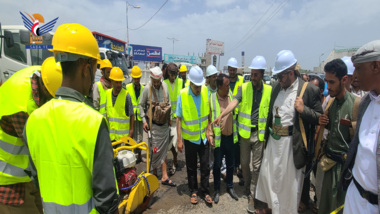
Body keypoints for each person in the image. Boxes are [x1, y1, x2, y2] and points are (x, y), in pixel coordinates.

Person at [24, 23, 119, 213]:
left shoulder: (33, 120)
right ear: (85, 68)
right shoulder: (93, 122)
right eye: (94, 67)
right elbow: (106, 197)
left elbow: (35, 178)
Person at [256, 50, 323, 214]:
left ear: (291, 73)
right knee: (269, 179)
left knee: (288, 186)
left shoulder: (308, 90)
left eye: (281, 76)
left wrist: (303, 110)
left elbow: (321, 118)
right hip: (273, 143)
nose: (279, 80)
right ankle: (271, 209)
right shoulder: (277, 88)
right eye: (277, 76)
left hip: (292, 147)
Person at [0, 56, 62, 214]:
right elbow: (43, 151)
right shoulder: (24, 109)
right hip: (7, 180)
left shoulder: (40, 74)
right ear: (47, 91)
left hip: (26, 176)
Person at [213, 56, 272, 212]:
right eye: (251, 74)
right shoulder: (244, 88)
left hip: (259, 135)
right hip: (245, 134)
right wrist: (223, 115)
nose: (253, 77)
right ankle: (247, 186)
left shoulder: (269, 91)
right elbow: (234, 102)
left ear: (262, 74)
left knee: (256, 166)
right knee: (244, 165)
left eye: (256, 74)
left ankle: (253, 195)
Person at [340, 40, 380, 214]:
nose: (354, 75)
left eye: (358, 68)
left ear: (376, 66)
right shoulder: (365, 103)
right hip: (354, 196)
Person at [317, 59, 359, 214]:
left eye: (332, 82)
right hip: (328, 164)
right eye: (326, 82)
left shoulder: (357, 104)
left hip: (345, 172)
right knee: (325, 206)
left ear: (344, 79)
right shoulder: (330, 103)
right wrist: (323, 122)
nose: (328, 87)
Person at [177, 66, 212, 205]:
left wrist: (209, 130)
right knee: (191, 167)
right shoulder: (183, 94)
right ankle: (193, 191)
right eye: (196, 86)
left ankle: (205, 191)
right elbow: (178, 118)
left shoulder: (205, 91)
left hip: (203, 137)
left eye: (200, 86)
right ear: (190, 83)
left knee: (205, 166)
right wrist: (179, 139)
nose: (198, 89)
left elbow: (208, 113)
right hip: (190, 139)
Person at [139, 66, 176, 187]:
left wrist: (169, 118)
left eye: (157, 81)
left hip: (164, 126)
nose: (156, 83)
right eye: (154, 81)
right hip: (153, 126)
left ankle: (164, 176)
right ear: (151, 78)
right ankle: (154, 173)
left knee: (164, 150)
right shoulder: (146, 89)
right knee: (155, 151)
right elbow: (140, 105)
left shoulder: (165, 86)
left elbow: (169, 102)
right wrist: (144, 121)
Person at [207, 73, 239, 203]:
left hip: (231, 138)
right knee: (217, 166)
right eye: (226, 85)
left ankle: (230, 187)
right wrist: (210, 135)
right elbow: (209, 120)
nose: (228, 87)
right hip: (219, 139)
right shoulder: (212, 99)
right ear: (219, 86)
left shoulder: (232, 96)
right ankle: (216, 190)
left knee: (231, 165)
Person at [226, 57, 244, 184]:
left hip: (238, 117)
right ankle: (230, 165)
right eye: (230, 70)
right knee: (229, 142)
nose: (232, 72)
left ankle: (237, 166)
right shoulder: (225, 81)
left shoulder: (242, 81)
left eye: (234, 70)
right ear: (228, 69)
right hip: (228, 116)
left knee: (237, 143)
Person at [163, 63, 183, 175]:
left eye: (175, 74)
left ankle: (174, 163)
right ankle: (168, 164)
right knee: (168, 144)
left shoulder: (180, 82)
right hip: (167, 119)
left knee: (176, 143)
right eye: (171, 74)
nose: (173, 77)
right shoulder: (164, 83)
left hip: (178, 119)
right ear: (168, 73)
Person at [106, 67, 134, 141]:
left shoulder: (126, 95)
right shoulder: (108, 94)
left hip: (123, 138)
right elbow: (108, 115)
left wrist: (131, 131)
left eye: (120, 82)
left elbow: (131, 114)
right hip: (111, 137)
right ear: (112, 81)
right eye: (117, 82)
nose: (119, 84)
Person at [126, 66, 144, 162]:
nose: (136, 80)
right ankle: (132, 156)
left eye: (138, 78)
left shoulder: (142, 88)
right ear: (132, 78)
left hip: (140, 117)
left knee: (140, 137)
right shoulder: (128, 88)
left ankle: (140, 156)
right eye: (135, 78)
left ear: (140, 78)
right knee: (131, 137)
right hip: (131, 117)